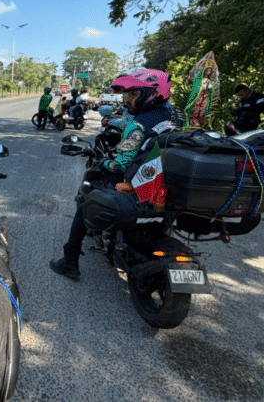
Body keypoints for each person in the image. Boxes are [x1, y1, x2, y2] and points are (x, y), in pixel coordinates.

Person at [49, 69, 174, 280]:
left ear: (150, 93)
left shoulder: (139, 124)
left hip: (137, 182)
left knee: (84, 205)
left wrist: (107, 161)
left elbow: (121, 164)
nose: (129, 99)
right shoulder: (172, 116)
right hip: (164, 181)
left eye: (134, 94)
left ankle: (70, 262)